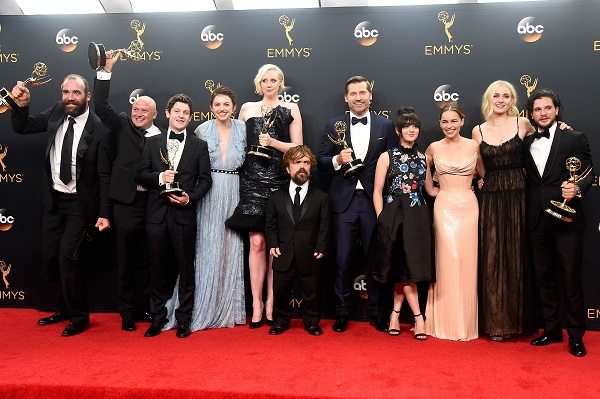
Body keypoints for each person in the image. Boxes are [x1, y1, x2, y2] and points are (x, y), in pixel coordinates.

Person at [9, 74, 112, 336]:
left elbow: (104, 176)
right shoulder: (56, 111)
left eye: (76, 93)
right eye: (66, 92)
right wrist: (21, 106)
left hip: (80, 204)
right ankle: (62, 308)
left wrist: (104, 213)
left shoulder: (98, 128)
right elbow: (23, 127)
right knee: (50, 257)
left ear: (87, 96)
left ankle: (80, 316)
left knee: (68, 258)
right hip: (54, 199)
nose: (69, 97)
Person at [163, 86, 247, 331]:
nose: (222, 109)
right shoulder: (201, 130)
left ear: (234, 108)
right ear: (211, 108)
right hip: (208, 193)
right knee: (204, 247)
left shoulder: (243, 129)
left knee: (230, 248)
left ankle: (227, 308)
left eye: (226, 105)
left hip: (233, 191)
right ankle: (196, 308)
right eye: (217, 105)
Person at [317, 75, 396, 333]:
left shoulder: (386, 126)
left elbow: (394, 162)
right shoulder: (334, 124)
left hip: (374, 202)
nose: (359, 97)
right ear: (346, 97)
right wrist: (338, 160)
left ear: (370, 95)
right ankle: (341, 313)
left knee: (376, 259)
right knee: (341, 260)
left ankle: (378, 313)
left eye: (363, 92)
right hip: (344, 203)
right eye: (353, 93)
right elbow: (321, 161)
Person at [228, 64, 302, 328]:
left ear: (281, 83)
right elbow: (236, 141)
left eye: (274, 80)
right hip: (251, 181)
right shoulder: (247, 108)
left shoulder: (291, 109)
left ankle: (273, 302)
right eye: (265, 80)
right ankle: (256, 304)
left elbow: (298, 147)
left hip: (279, 181)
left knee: (275, 247)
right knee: (257, 243)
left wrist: (273, 143)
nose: (269, 84)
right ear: (259, 84)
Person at [93, 51, 161, 332]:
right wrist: (105, 71)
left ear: (155, 115)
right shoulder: (121, 124)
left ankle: (146, 307)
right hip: (125, 203)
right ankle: (127, 312)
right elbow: (100, 104)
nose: (138, 113)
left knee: (148, 260)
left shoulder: (162, 137)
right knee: (124, 260)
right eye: (135, 109)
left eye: (144, 111)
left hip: (153, 204)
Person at [136, 94, 212, 338]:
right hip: (156, 215)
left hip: (184, 215)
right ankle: (157, 319)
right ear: (168, 113)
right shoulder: (152, 142)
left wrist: (190, 197)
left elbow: (206, 179)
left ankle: (184, 320)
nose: (181, 116)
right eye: (177, 111)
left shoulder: (199, 145)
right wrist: (160, 178)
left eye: (186, 113)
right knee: (157, 269)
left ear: (190, 117)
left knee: (185, 269)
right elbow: (140, 174)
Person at [525, 88, 593, 357]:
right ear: (531, 114)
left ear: (557, 110)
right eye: (538, 109)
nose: (543, 113)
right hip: (537, 220)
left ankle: (576, 335)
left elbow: (588, 172)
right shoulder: (526, 141)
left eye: (547, 108)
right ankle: (551, 330)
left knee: (570, 278)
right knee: (544, 278)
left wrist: (576, 190)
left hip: (567, 219)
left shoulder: (574, 137)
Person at [370, 107, 434, 339]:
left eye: (415, 126)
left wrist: (460, 186)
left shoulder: (423, 157)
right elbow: (377, 191)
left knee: (407, 269)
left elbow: (430, 190)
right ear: (398, 130)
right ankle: (419, 318)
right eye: (406, 126)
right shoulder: (387, 156)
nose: (411, 130)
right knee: (400, 267)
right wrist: (381, 219)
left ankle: (395, 314)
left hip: (418, 217)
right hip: (393, 216)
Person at [423, 102, 482, 341]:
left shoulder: (474, 145)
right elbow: (424, 175)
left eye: (454, 121)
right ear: (440, 124)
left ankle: (465, 324)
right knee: (447, 261)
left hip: (468, 207)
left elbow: (484, 174)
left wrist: (476, 184)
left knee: (467, 262)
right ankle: (443, 322)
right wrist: (434, 189)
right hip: (444, 206)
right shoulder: (433, 147)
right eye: (445, 121)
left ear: (462, 122)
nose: (449, 125)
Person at [265, 145, 330, 336]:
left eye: (306, 162)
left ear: (311, 167)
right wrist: (273, 243)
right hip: (282, 253)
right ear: (287, 168)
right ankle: (280, 321)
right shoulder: (276, 196)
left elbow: (325, 226)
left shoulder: (321, 197)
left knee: (311, 292)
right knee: (280, 290)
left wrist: (321, 246)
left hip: (310, 253)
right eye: (297, 162)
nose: (302, 167)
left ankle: (311, 322)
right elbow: (271, 224)